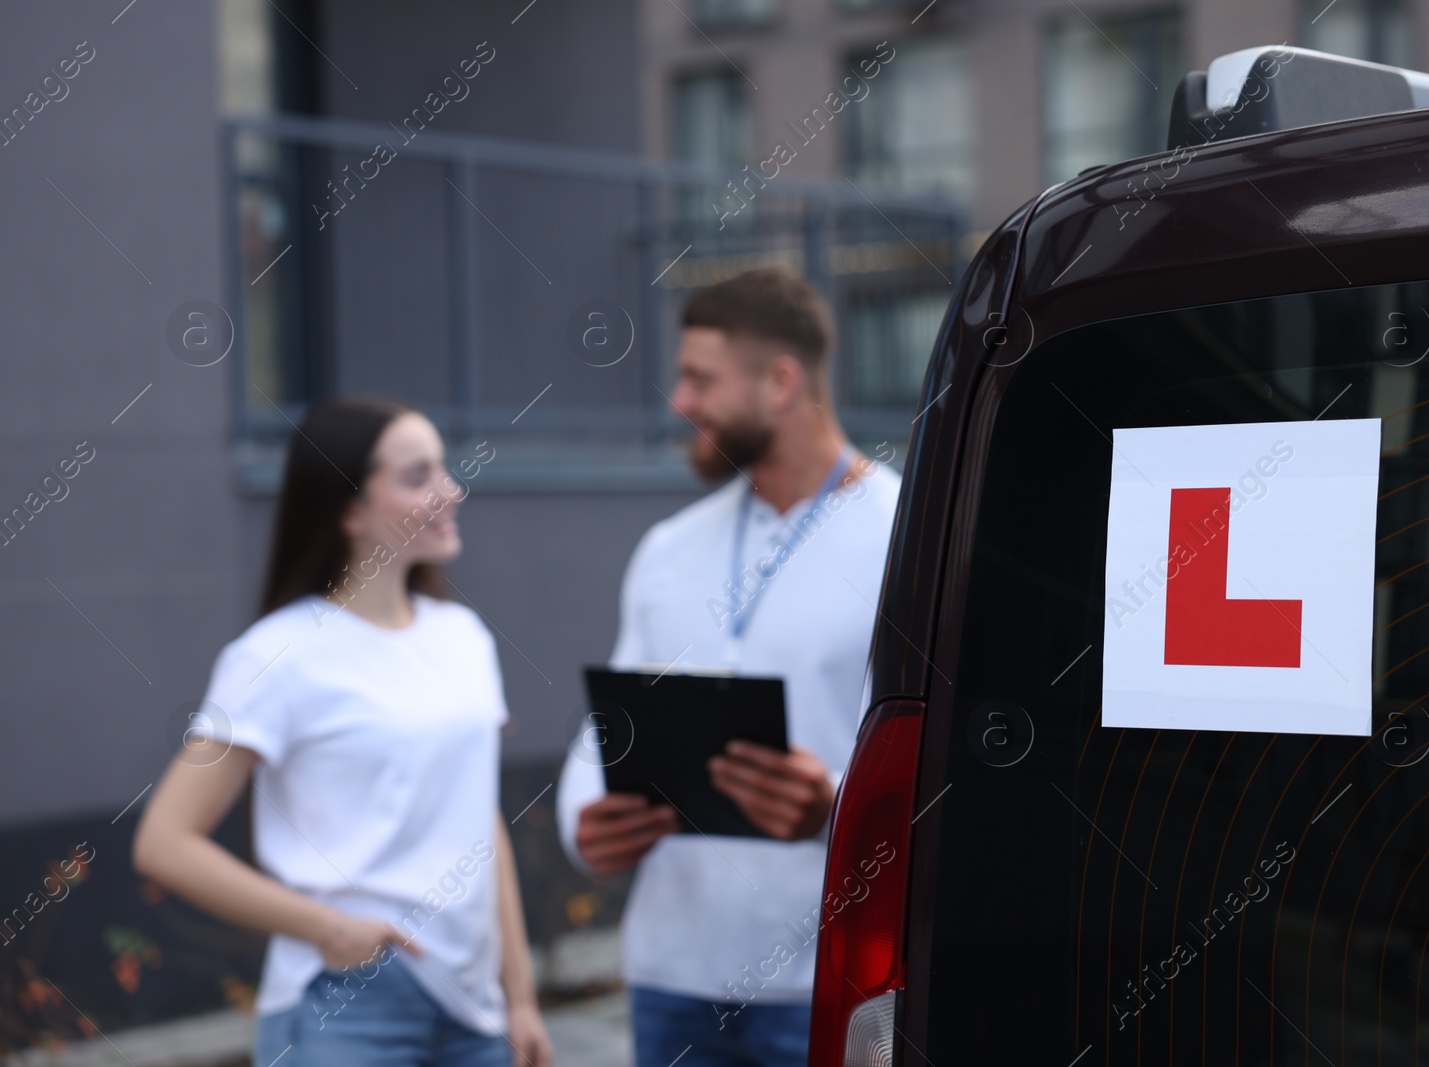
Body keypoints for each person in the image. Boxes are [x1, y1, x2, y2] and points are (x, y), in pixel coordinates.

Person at [131, 398, 554, 1067]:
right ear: (349, 509)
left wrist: (520, 997)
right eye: (419, 476)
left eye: (443, 468)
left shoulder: (462, 636)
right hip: (346, 1002)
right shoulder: (277, 654)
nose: (451, 490)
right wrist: (327, 928)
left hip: (474, 1012)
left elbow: (479, 821)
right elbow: (164, 842)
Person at [554, 268, 902, 1066]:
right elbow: (607, 724)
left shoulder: (906, 535)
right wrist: (586, 825)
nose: (679, 401)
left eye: (699, 379)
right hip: (671, 974)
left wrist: (835, 808)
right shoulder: (669, 547)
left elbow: (944, 755)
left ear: (781, 382)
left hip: (830, 978)